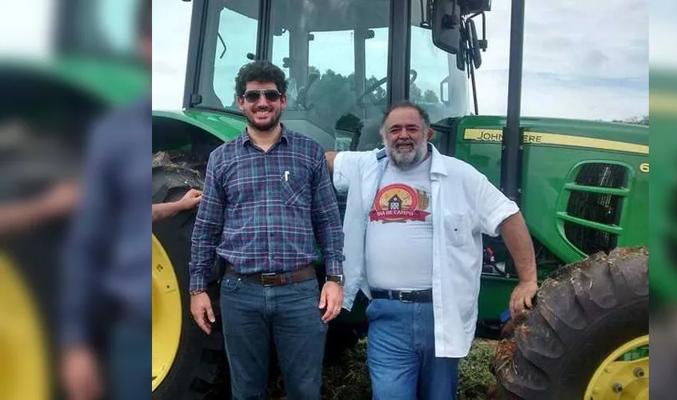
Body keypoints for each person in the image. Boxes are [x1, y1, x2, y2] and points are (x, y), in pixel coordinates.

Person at [326, 101, 539, 399]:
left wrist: (528, 280)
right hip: (387, 315)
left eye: (412, 128)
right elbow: (324, 159)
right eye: (394, 129)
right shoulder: (367, 166)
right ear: (384, 136)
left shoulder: (460, 175)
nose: (403, 135)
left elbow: (509, 216)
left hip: (441, 315)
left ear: (428, 134)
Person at [188, 61, 345, 400]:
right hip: (240, 292)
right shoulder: (221, 159)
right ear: (241, 102)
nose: (262, 102)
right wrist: (198, 288)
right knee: (246, 392)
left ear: (283, 100)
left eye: (271, 95)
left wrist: (334, 278)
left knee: (305, 390)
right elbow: (206, 227)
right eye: (253, 96)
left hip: (299, 291)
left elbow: (328, 221)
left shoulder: (309, 153)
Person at [60, 2, 152, 400]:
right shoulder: (114, 133)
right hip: (132, 330)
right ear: (142, 45)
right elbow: (87, 239)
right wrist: (76, 342)